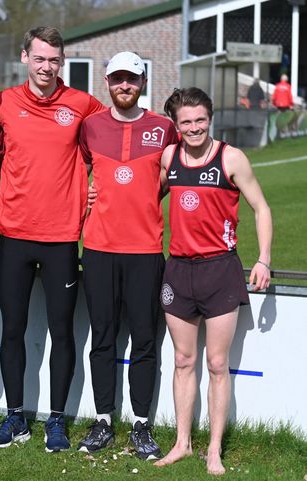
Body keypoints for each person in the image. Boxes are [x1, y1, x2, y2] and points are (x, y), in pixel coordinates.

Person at [0, 26, 103, 453]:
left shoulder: (83, 104)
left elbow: (108, 145)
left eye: (54, 59)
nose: (46, 67)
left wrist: (93, 187)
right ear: (24, 58)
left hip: (61, 238)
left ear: (62, 62)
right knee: (12, 329)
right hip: (15, 233)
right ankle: (15, 417)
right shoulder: (4, 103)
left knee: (62, 332)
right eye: (39, 58)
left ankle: (56, 421)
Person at [153, 87, 272, 475]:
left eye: (200, 119)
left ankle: (215, 449)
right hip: (178, 270)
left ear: (210, 118)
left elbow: (261, 208)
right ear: (175, 124)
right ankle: (182, 444)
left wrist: (263, 259)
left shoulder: (231, 157)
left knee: (217, 363)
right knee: (184, 360)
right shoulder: (169, 156)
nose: (194, 128)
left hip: (220, 270)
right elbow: (146, 201)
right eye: (185, 122)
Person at [76, 51, 178, 459]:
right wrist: (87, 194)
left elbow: (172, 177)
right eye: (118, 79)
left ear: (142, 83)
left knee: (144, 339)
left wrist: (145, 197)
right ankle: (103, 421)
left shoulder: (163, 128)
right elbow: (74, 174)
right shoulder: (90, 127)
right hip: (98, 248)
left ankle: (140, 425)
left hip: (145, 249)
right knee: (101, 338)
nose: (124, 86)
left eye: (131, 79)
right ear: (107, 82)